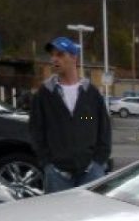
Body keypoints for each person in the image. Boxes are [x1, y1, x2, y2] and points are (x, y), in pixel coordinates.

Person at [29, 36, 111, 194]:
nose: (54, 59)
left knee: (91, 217)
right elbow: (36, 131)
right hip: (57, 176)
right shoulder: (44, 94)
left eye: (60, 54)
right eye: (52, 55)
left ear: (74, 57)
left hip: (91, 174)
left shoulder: (91, 93)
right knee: (60, 218)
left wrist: (99, 162)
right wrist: (47, 164)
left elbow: (103, 129)